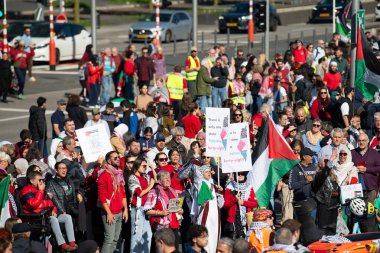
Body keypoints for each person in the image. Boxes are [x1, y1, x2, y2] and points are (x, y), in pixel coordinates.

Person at [20, 171, 78, 252]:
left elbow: (51, 203)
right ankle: (63, 245)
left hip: (47, 215)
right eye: (39, 180)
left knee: (67, 217)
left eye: (42, 180)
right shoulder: (26, 191)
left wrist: (53, 209)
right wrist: (41, 192)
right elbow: (34, 205)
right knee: (53, 220)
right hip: (36, 218)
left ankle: (72, 243)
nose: (42, 182)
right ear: (32, 181)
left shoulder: (40, 189)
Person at [289, 148, 321, 245]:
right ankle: (303, 245)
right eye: (310, 156)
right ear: (304, 157)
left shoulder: (313, 167)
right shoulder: (295, 168)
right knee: (302, 226)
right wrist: (305, 181)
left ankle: (313, 244)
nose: (312, 158)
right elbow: (291, 185)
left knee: (312, 225)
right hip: (300, 202)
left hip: (312, 200)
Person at [144, 170, 183, 248]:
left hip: (174, 225)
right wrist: (161, 213)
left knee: (174, 249)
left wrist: (181, 211)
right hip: (161, 226)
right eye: (165, 178)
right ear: (159, 181)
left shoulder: (173, 191)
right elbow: (146, 211)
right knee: (161, 249)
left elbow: (178, 207)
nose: (168, 179)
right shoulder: (154, 192)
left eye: (169, 177)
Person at [351, 133, 380, 232]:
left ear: (368, 141)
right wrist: (354, 169)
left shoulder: (374, 153)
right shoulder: (352, 153)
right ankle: (359, 233)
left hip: (370, 187)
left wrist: (366, 169)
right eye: (359, 140)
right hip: (356, 188)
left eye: (363, 140)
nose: (361, 142)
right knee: (357, 213)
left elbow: (379, 168)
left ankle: (370, 233)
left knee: (370, 212)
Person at [46, 162, 85, 233]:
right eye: (61, 168)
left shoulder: (69, 180)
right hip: (61, 211)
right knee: (65, 232)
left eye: (65, 168)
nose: (64, 170)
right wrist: (62, 211)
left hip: (72, 209)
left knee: (75, 231)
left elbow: (75, 190)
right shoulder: (51, 183)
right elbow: (53, 198)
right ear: (56, 170)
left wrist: (78, 193)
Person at [128, 158, 155, 252]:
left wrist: (152, 168)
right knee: (137, 236)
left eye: (146, 166)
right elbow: (140, 193)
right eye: (143, 166)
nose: (145, 168)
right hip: (138, 210)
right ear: (137, 165)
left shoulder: (145, 177)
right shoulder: (132, 178)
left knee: (148, 235)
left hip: (146, 209)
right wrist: (150, 186)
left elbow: (155, 180)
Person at [195, 165, 223, 253]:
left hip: (214, 212)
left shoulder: (212, 184)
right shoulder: (200, 183)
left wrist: (219, 192)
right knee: (207, 232)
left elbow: (219, 202)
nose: (209, 173)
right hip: (207, 212)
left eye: (209, 171)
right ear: (202, 173)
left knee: (214, 233)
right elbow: (204, 199)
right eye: (206, 172)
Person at [223, 172, 258, 239]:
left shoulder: (249, 187)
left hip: (247, 219)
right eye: (238, 174)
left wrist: (243, 202)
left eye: (242, 174)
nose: (240, 175)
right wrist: (235, 200)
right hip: (234, 220)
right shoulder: (229, 187)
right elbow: (225, 205)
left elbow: (255, 204)